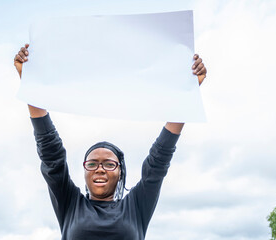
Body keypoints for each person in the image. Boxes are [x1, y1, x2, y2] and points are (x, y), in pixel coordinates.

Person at [14, 43, 206, 240]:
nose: (99, 169)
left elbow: (158, 161)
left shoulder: (136, 206)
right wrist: (29, 82)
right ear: (85, 170)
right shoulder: (70, 203)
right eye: (92, 163)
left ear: (120, 171)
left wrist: (189, 92)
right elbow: (51, 154)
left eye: (109, 164)